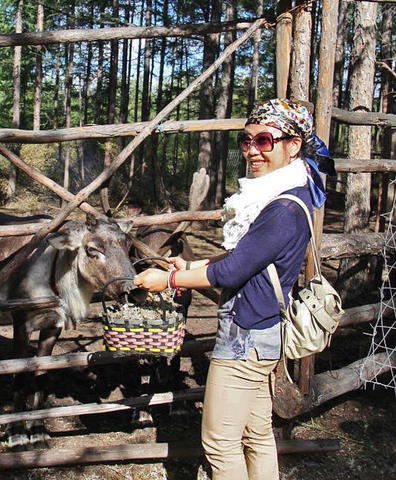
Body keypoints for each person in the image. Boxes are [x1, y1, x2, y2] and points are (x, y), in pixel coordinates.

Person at [133, 99, 332, 480]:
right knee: (256, 435)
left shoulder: (282, 208)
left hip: (245, 338)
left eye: (264, 141)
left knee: (220, 443)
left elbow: (234, 271)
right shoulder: (281, 196)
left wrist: (168, 280)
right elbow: (249, 260)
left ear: (293, 146)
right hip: (261, 334)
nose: (252, 150)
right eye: (246, 141)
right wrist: (190, 266)